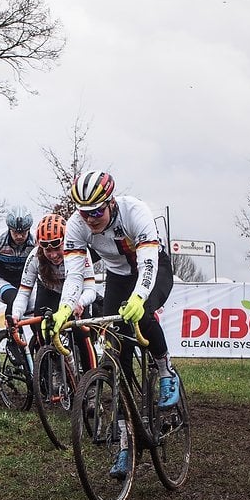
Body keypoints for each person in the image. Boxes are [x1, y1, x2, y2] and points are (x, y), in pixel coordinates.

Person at [47, 170, 178, 479]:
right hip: (119, 277)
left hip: (153, 269)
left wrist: (140, 298)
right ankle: (125, 445)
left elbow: (147, 264)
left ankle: (165, 371)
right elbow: (75, 275)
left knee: (142, 313)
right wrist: (66, 308)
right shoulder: (77, 227)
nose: (90, 219)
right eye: (84, 212)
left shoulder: (135, 212)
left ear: (110, 202)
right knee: (112, 360)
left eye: (96, 211)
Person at [10, 213, 99, 363]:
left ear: (66, 240)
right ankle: (48, 371)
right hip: (49, 292)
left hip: (77, 295)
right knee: (41, 329)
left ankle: (91, 380)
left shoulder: (79, 252)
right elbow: (24, 292)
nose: (52, 254)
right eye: (46, 249)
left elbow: (91, 289)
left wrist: (81, 302)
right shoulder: (34, 258)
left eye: (57, 247)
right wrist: (16, 314)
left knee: (81, 334)